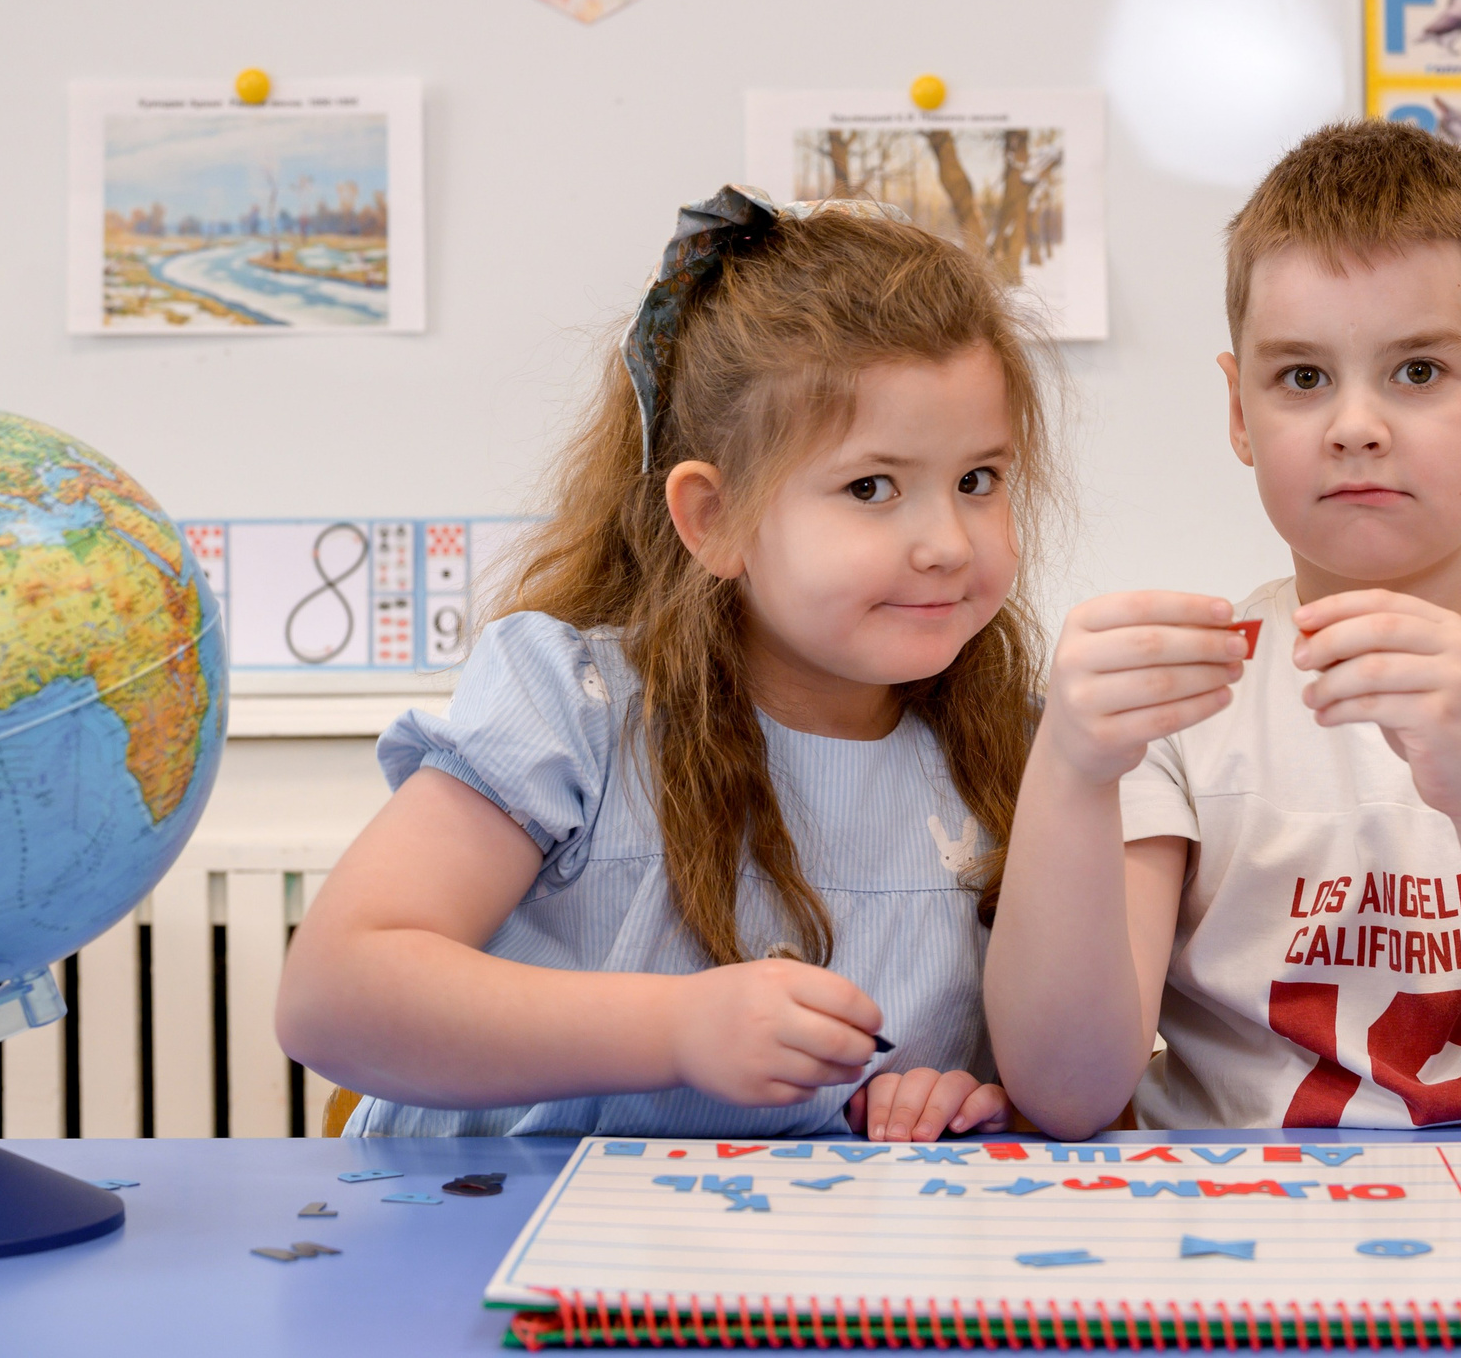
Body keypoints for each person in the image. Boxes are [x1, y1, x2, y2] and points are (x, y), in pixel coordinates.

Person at [985, 120, 1461, 1148]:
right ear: (1239, 413)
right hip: (1230, 1250)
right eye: (1300, 377)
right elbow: (1067, 1092)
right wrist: (1068, 769)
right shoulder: (1180, 689)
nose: (1355, 424)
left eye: (1417, 371)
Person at [278, 187, 1057, 1143]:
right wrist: (677, 1029)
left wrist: (965, 1094)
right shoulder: (570, 702)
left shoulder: (1017, 749)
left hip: (765, 1273)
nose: (945, 542)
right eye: (871, 486)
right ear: (713, 517)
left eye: (978, 480)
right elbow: (333, 995)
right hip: (476, 1252)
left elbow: (1053, 1069)